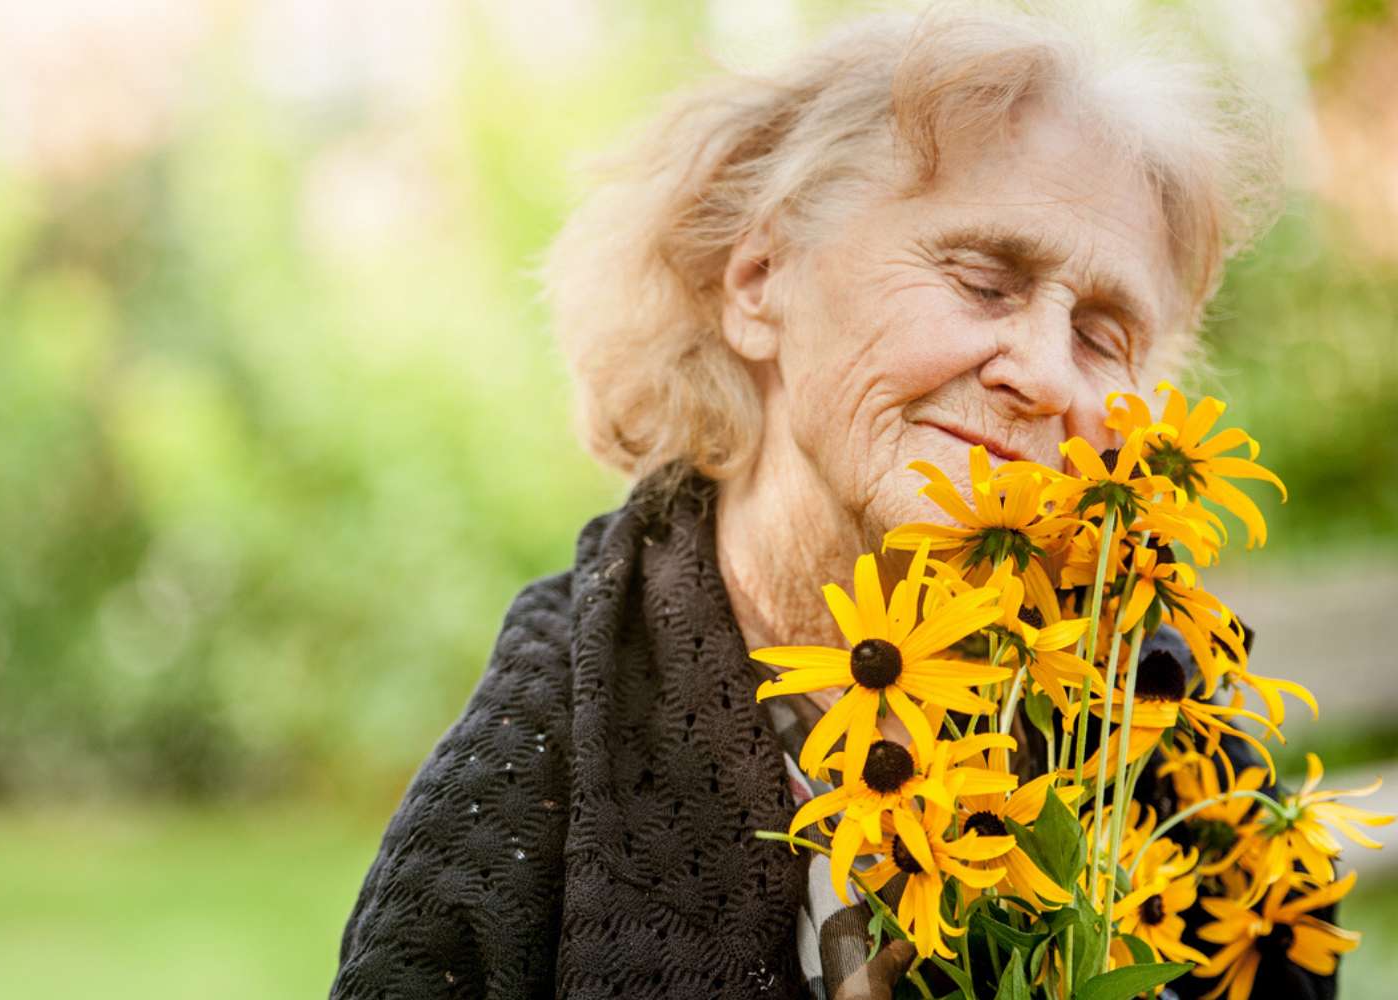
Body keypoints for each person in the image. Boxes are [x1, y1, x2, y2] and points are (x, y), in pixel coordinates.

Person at [331, 5, 1322, 998]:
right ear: (758, 281)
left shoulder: (1154, 714)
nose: (1048, 373)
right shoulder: (545, 748)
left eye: (1103, 338)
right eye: (983, 281)